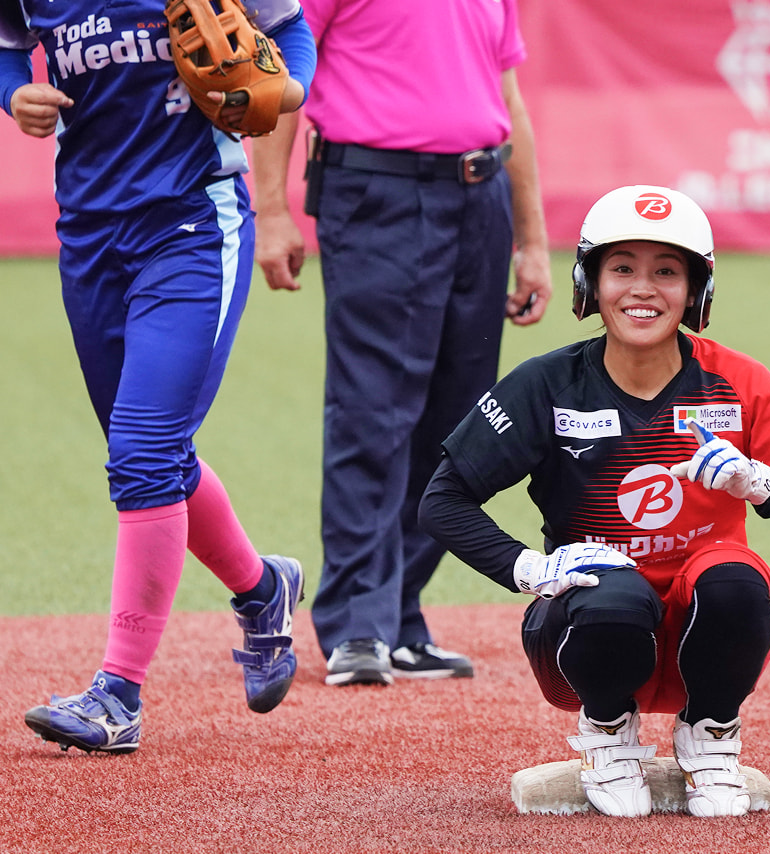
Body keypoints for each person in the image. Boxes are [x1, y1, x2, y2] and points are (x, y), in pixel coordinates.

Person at [418, 185, 770, 817]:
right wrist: (532, 569)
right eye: (622, 268)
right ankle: (606, 732)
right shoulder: (546, 384)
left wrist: (758, 480)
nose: (643, 290)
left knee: (736, 580)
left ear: (697, 290)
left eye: (667, 272)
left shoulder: (735, 381)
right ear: (589, 284)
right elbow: (443, 500)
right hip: (584, 633)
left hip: (704, 635)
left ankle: (711, 734)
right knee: (612, 591)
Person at [1, 1, 317, 754]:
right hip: (87, 230)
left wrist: (285, 90)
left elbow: (291, 31)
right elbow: (6, 44)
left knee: (143, 451)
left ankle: (118, 695)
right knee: (150, 453)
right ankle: (262, 588)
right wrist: (13, 92)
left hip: (191, 224)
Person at [250, 0, 553, 688]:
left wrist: (532, 241)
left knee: (461, 421)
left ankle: (400, 612)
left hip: (480, 196)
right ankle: (358, 622)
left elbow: (508, 100)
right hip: (376, 194)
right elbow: (278, 78)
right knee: (372, 408)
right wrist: (271, 211)